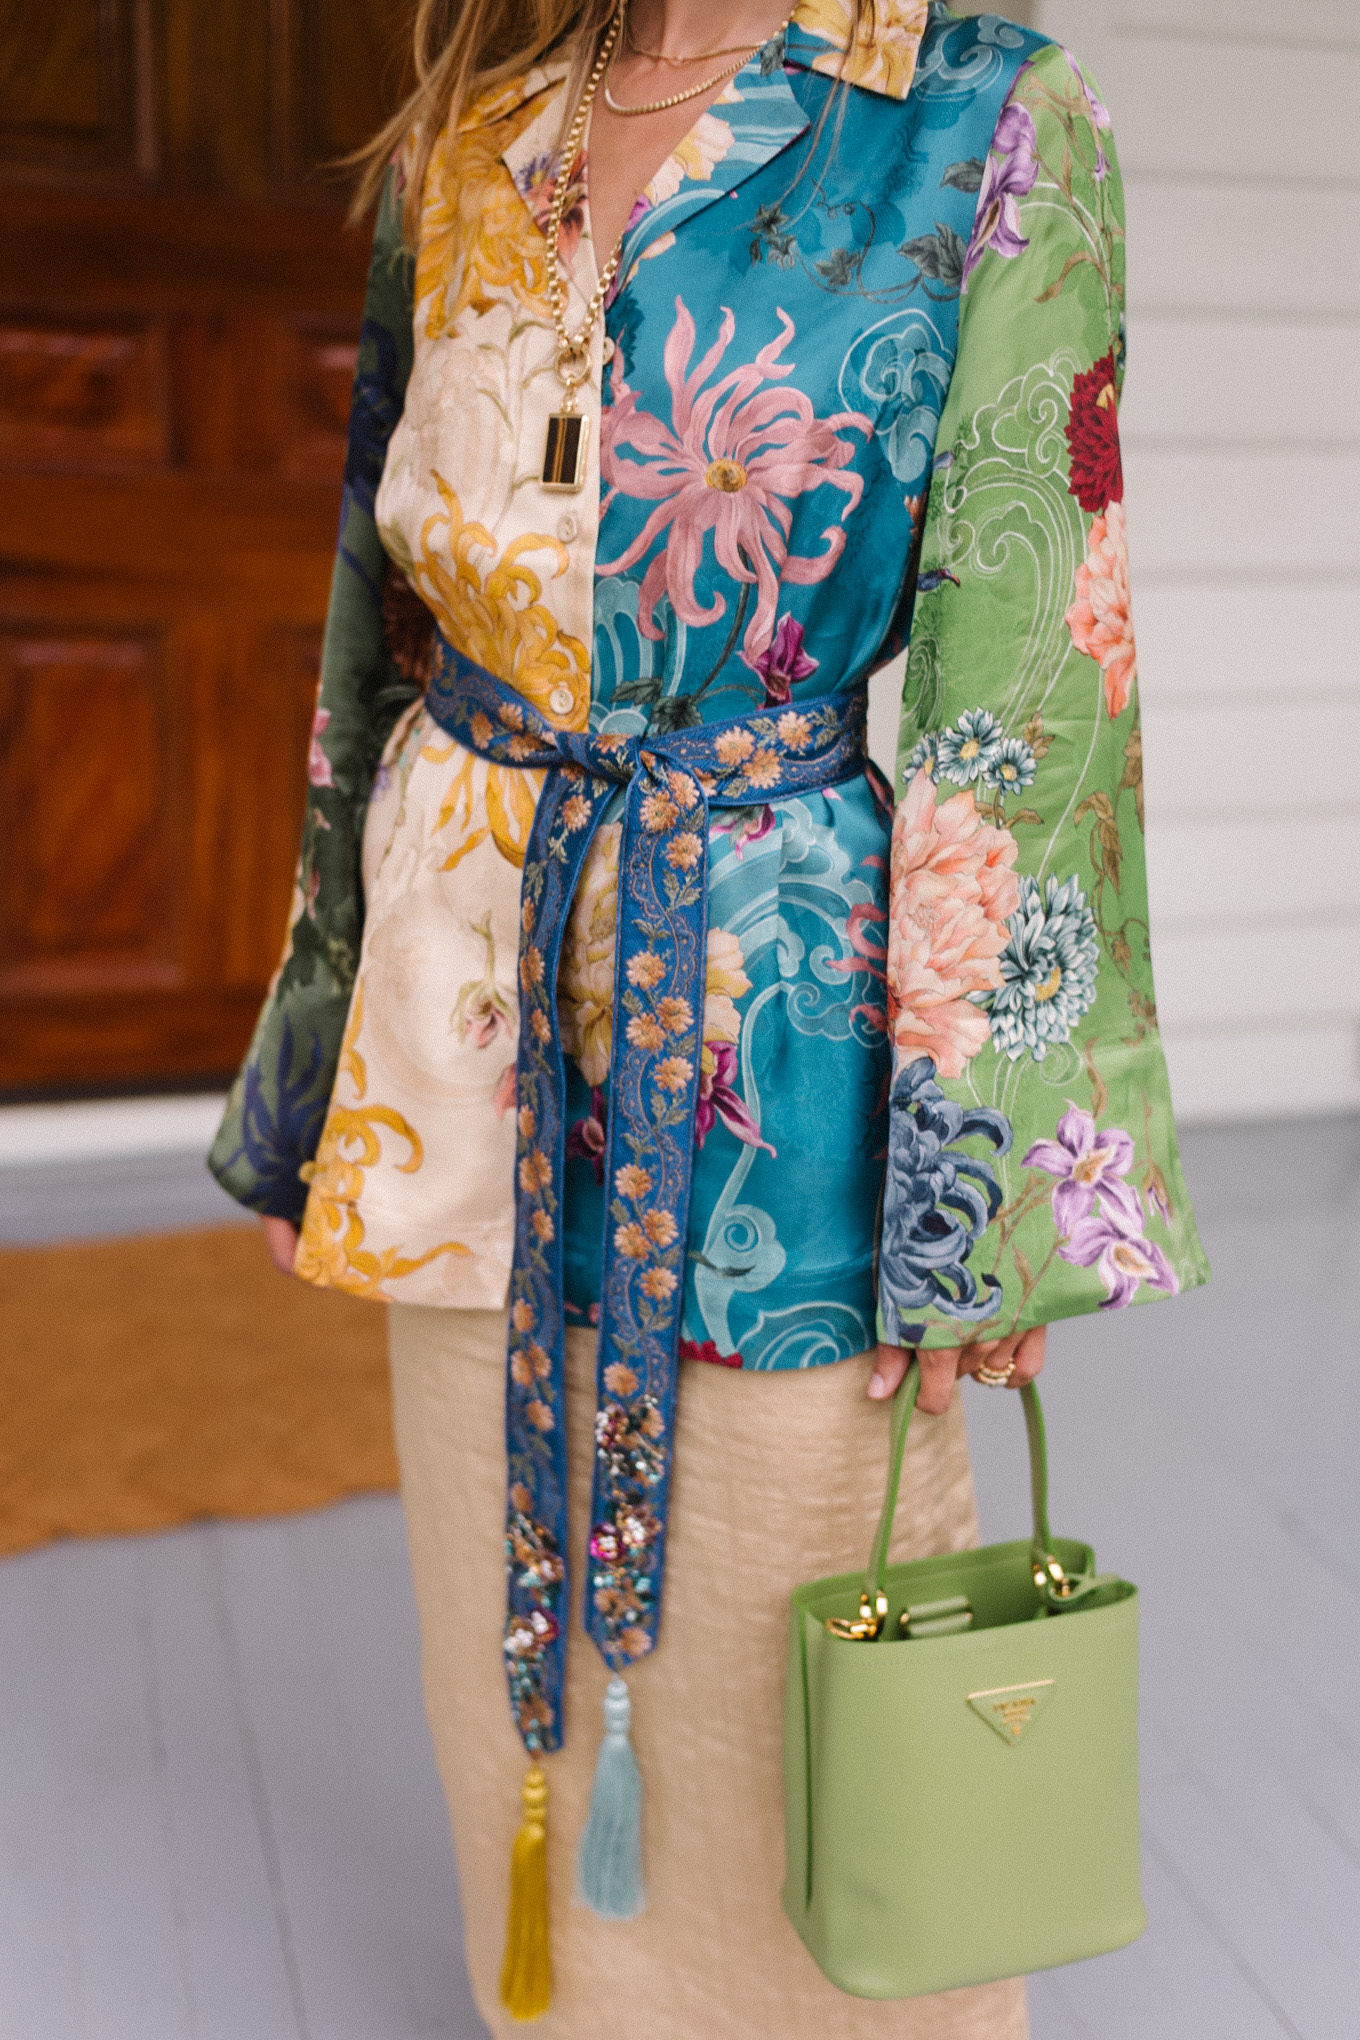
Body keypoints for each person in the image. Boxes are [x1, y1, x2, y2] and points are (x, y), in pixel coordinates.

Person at [211, 1, 1209, 2031]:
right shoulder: (467, 132)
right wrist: (320, 1049)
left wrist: (988, 1184)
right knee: (497, 1609)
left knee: (777, 1611)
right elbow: (370, 620)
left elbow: (1030, 674)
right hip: (463, 1006)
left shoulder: (982, 121)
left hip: (782, 1042)